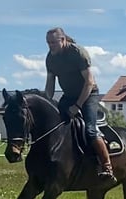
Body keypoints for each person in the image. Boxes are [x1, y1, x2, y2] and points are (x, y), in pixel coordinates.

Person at [44, 27, 117, 183]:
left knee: (89, 129)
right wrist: (46, 102)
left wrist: (77, 106)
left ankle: (107, 166)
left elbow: (89, 82)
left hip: (88, 94)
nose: (50, 46)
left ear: (63, 40)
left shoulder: (77, 53)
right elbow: (50, 84)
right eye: (48, 43)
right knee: (56, 125)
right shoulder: (50, 58)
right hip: (69, 96)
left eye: (53, 42)